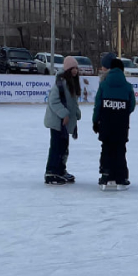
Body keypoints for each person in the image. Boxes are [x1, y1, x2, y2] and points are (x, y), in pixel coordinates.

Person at [93, 54, 136, 187]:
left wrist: (96, 121)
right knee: (120, 148)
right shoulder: (128, 86)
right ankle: (121, 176)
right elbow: (132, 105)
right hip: (121, 124)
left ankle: (106, 174)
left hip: (106, 123)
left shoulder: (104, 85)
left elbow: (98, 105)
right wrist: (122, 113)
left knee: (106, 147)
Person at [43, 56, 81, 185]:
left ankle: (60, 169)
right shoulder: (60, 83)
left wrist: (76, 113)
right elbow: (53, 101)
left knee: (64, 147)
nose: (75, 71)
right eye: (72, 68)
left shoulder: (71, 83)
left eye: (76, 68)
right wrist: (64, 114)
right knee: (56, 147)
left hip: (64, 123)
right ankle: (51, 172)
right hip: (57, 122)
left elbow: (72, 102)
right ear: (67, 69)